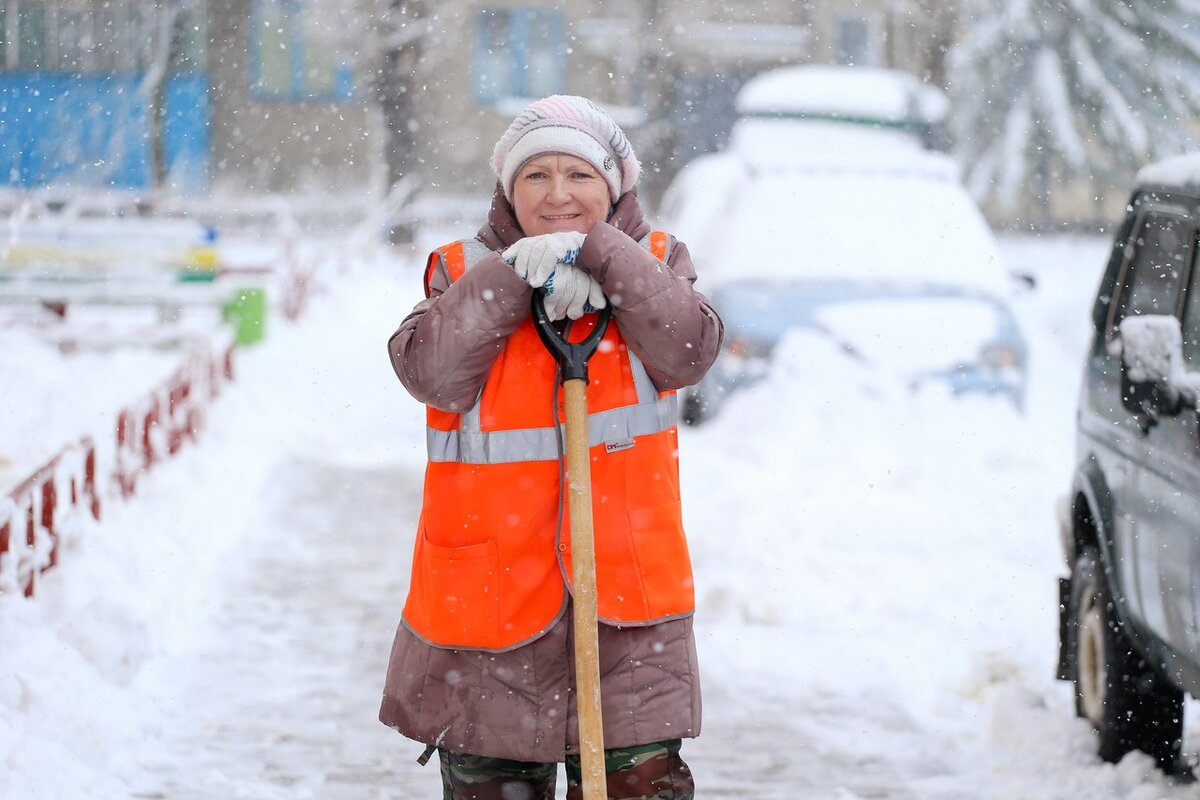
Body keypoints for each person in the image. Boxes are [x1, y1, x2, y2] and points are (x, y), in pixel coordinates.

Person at [380, 94, 723, 800]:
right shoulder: (459, 267)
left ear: (615, 185)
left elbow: (689, 349)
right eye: (537, 176)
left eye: (580, 176)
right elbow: (432, 373)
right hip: (487, 613)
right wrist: (511, 275)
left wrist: (602, 252)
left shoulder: (657, 261)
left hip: (631, 613)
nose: (559, 195)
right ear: (508, 187)